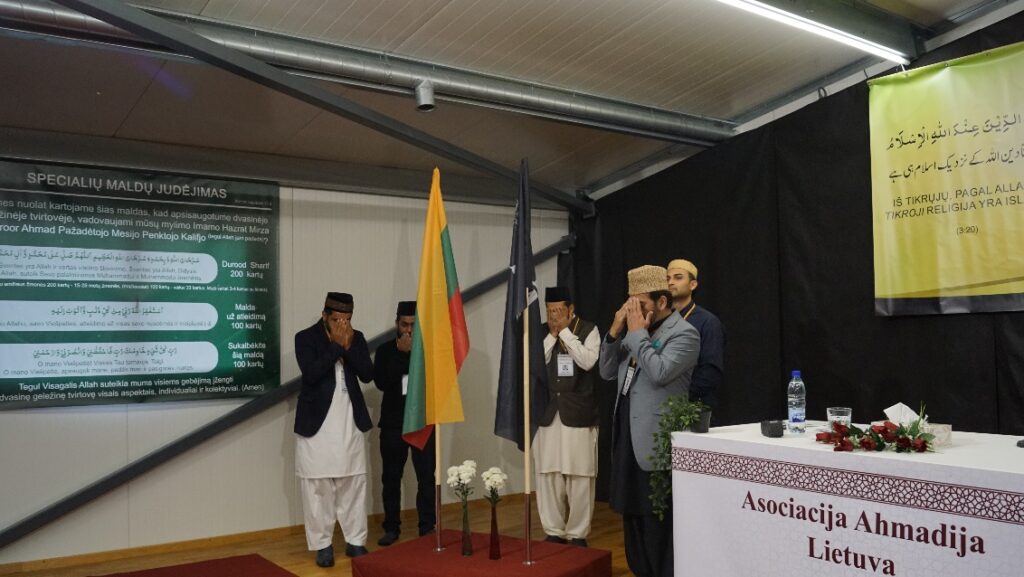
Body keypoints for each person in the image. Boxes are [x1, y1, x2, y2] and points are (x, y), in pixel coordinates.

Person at [599, 265, 700, 577]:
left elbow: (660, 372)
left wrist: (636, 334)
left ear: (662, 302)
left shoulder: (684, 334)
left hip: (656, 442)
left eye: (640, 304)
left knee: (656, 523)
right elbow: (606, 371)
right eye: (630, 304)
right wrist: (615, 331)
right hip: (628, 435)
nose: (634, 311)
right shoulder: (634, 330)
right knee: (631, 516)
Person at [293, 292, 374, 567]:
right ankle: (323, 545)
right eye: (337, 319)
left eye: (347, 319)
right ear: (324, 315)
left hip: (349, 422)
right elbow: (312, 374)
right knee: (318, 488)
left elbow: (367, 374)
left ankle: (355, 541)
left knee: (353, 485)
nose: (343, 324)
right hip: (317, 425)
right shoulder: (305, 338)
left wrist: (348, 347)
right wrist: (337, 347)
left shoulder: (356, 338)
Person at [535, 286, 601, 547]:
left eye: (558, 310)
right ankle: (553, 530)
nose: (553, 316)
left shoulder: (588, 330)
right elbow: (535, 366)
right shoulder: (541, 332)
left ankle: (577, 533)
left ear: (571, 309)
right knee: (548, 473)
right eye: (549, 311)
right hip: (548, 414)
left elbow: (588, 361)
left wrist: (564, 333)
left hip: (578, 413)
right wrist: (552, 336)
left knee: (580, 474)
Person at [374, 300, 436, 546]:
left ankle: (427, 526)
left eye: (413, 325)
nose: (408, 330)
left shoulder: (429, 349)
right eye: (404, 325)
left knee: (426, 477)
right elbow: (381, 382)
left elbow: (433, 382)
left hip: (422, 422)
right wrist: (402, 355)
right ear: (396, 324)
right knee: (391, 477)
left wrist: (413, 353)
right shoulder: (385, 350)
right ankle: (391, 527)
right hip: (393, 423)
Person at [666, 259, 725, 410]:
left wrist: (680, 399)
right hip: (661, 406)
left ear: (693, 285)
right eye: (667, 278)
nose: (670, 282)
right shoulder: (660, 320)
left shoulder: (708, 322)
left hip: (692, 408)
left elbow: (710, 371)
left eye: (678, 277)